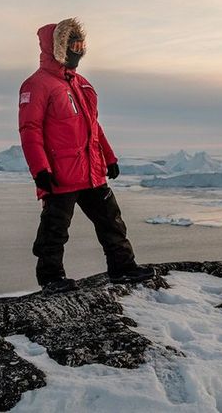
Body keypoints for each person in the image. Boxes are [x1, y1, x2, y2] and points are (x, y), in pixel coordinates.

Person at [18, 18, 155, 294]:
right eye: (73, 45)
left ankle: (122, 267)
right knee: (55, 229)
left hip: (91, 171)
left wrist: (109, 157)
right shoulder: (37, 85)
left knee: (111, 221)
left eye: (81, 45)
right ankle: (51, 278)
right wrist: (40, 171)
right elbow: (29, 129)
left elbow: (94, 126)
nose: (78, 51)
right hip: (60, 174)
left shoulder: (82, 85)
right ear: (58, 48)